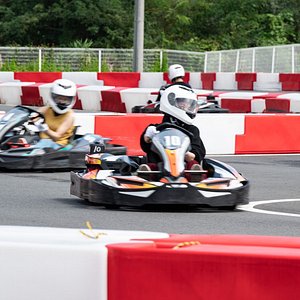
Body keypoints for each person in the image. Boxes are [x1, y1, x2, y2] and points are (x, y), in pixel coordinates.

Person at [140, 84, 206, 174]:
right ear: (171, 102)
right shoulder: (155, 129)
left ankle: (195, 172)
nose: (187, 106)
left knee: (192, 164)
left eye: (189, 104)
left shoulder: (192, 130)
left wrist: (191, 155)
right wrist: (147, 138)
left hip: (184, 167)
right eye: (183, 103)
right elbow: (145, 146)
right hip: (160, 168)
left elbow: (199, 150)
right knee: (152, 165)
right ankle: (147, 172)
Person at [33, 78, 77, 150]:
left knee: (44, 143)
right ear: (53, 97)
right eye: (59, 98)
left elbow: (56, 137)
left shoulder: (69, 116)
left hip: (58, 146)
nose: (62, 102)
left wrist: (43, 127)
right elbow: (32, 116)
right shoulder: (46, 110)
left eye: (66, 99)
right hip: (41, 141)